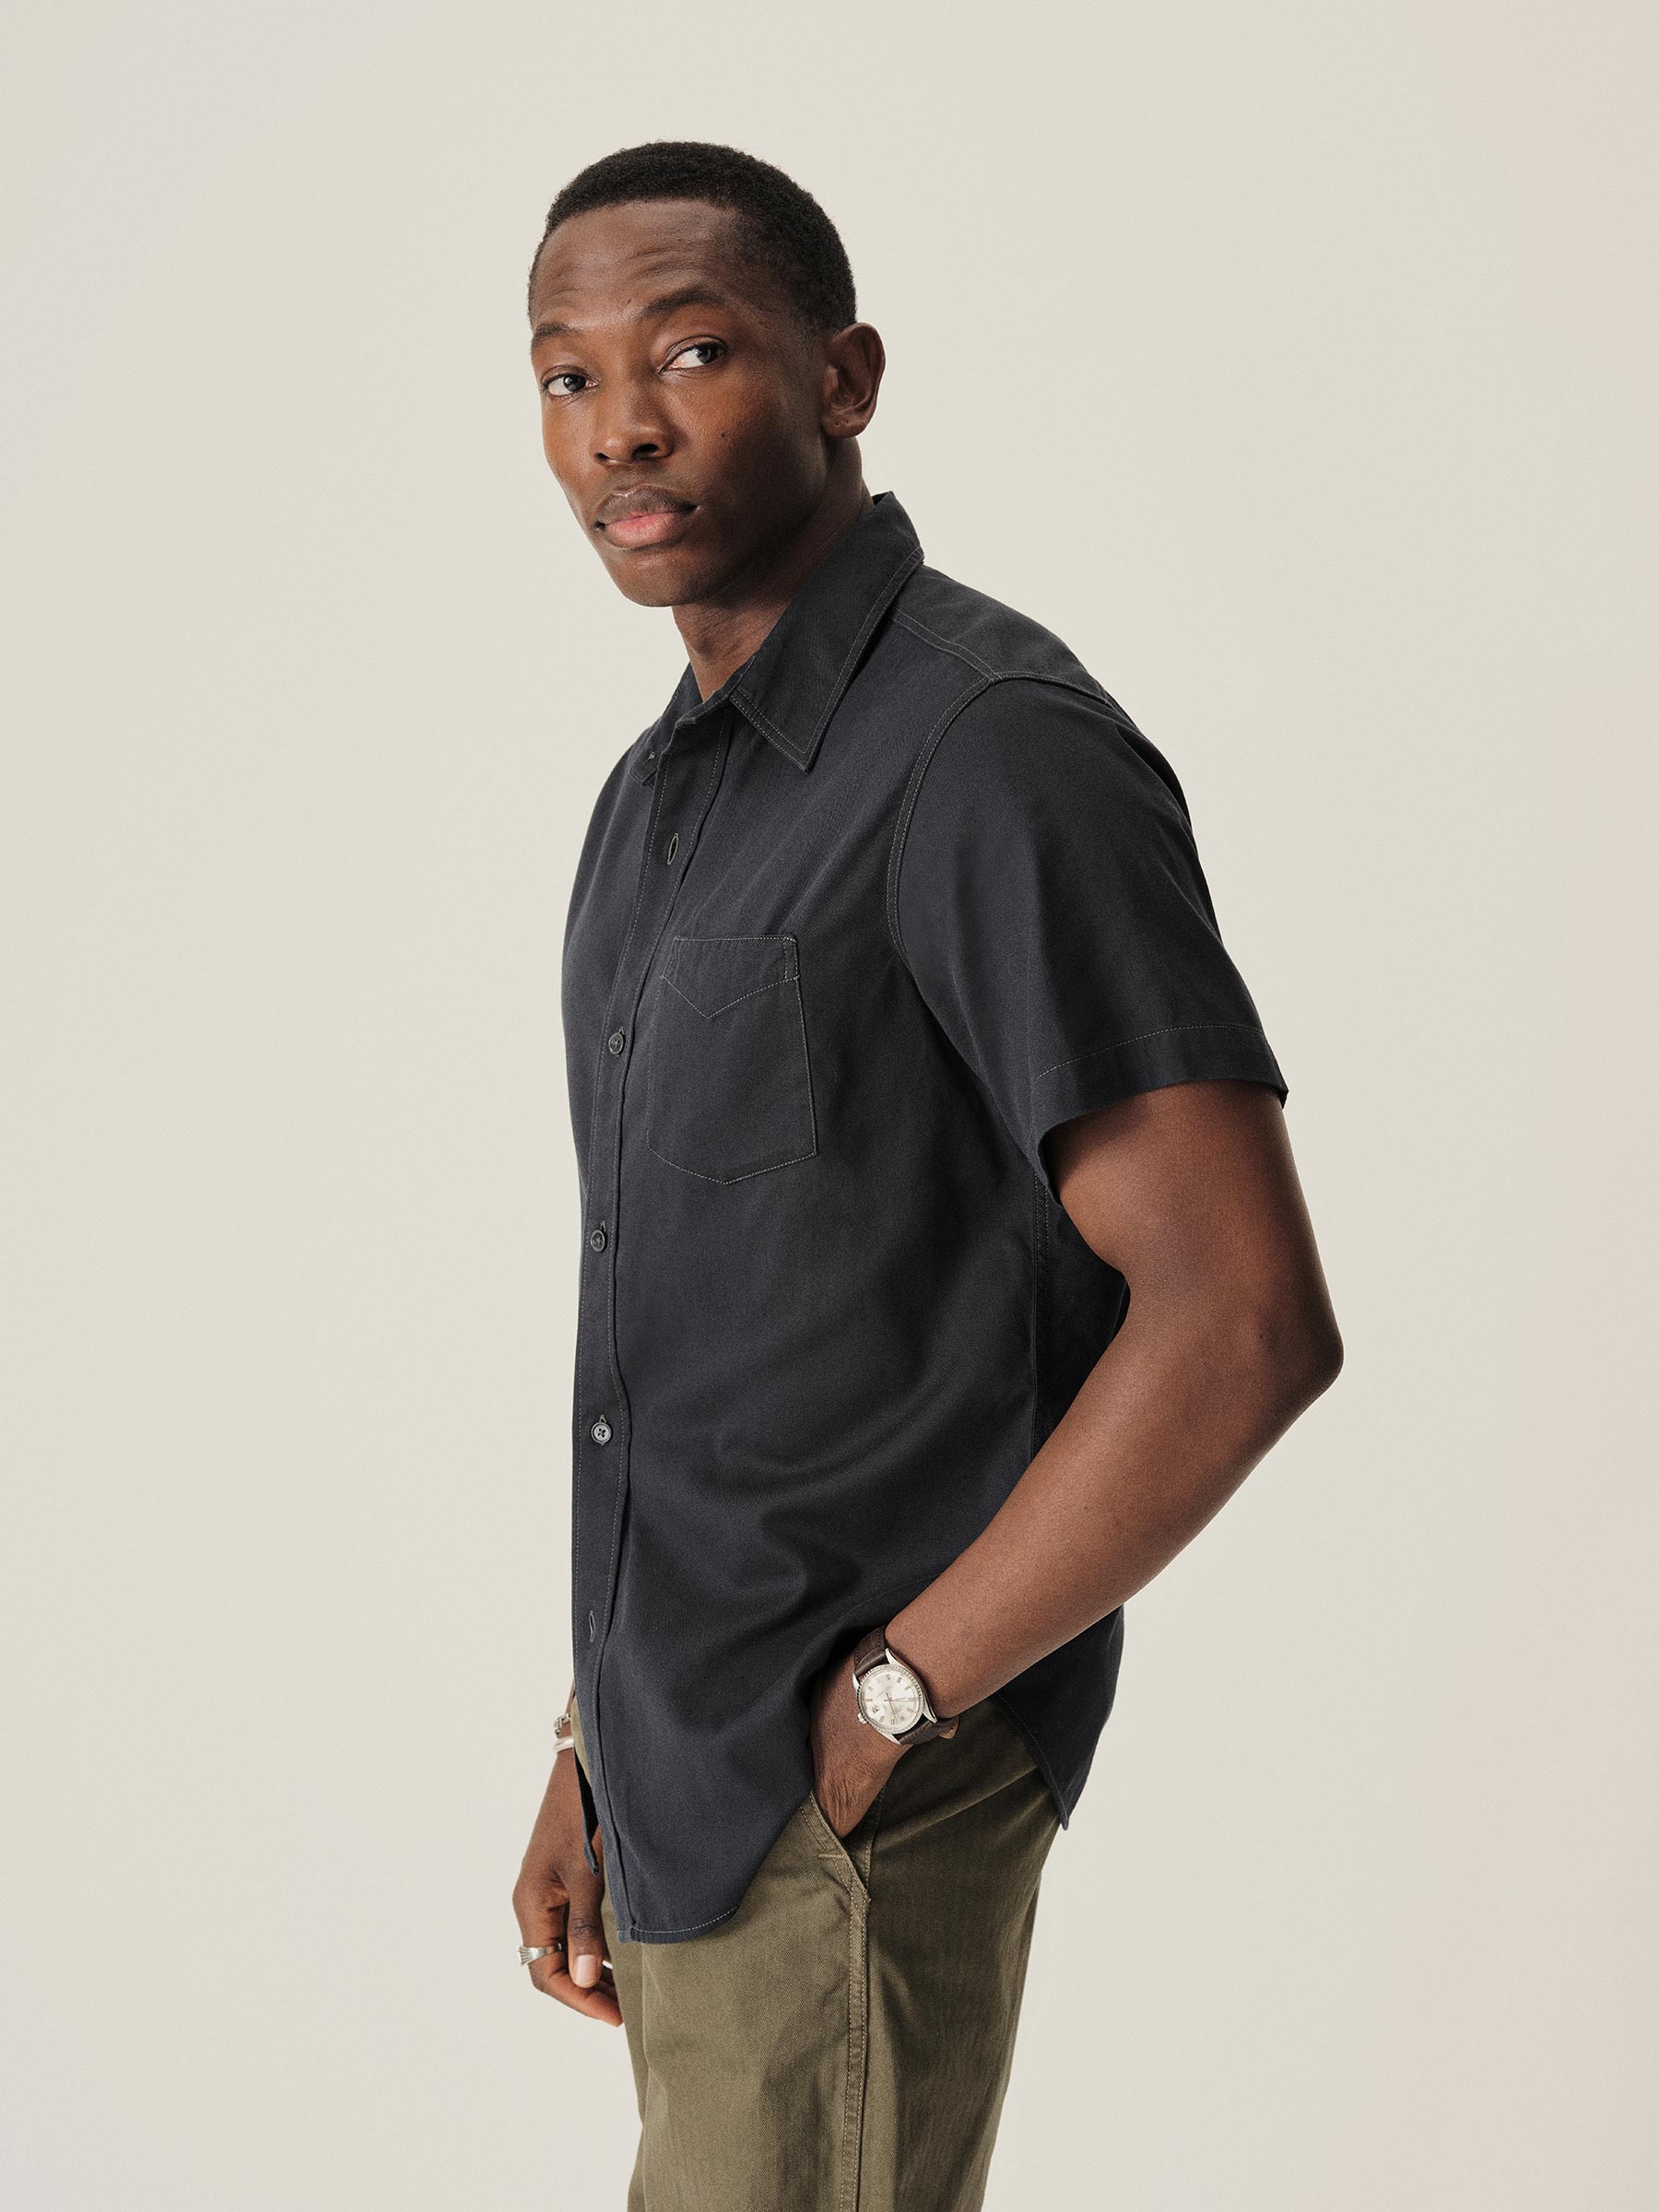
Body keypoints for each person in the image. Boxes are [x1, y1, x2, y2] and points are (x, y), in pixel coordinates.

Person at [511, 139, 1343, 2212]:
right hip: (692, 1775)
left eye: (690, 351)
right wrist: (593, 1742)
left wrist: (896, 1702)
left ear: (844, 376)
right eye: (567, 375)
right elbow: (725, 1326)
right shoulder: (658, 803)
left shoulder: (993, 751)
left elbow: (1242, 1318)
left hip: (847, 1808)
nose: (621, 424)